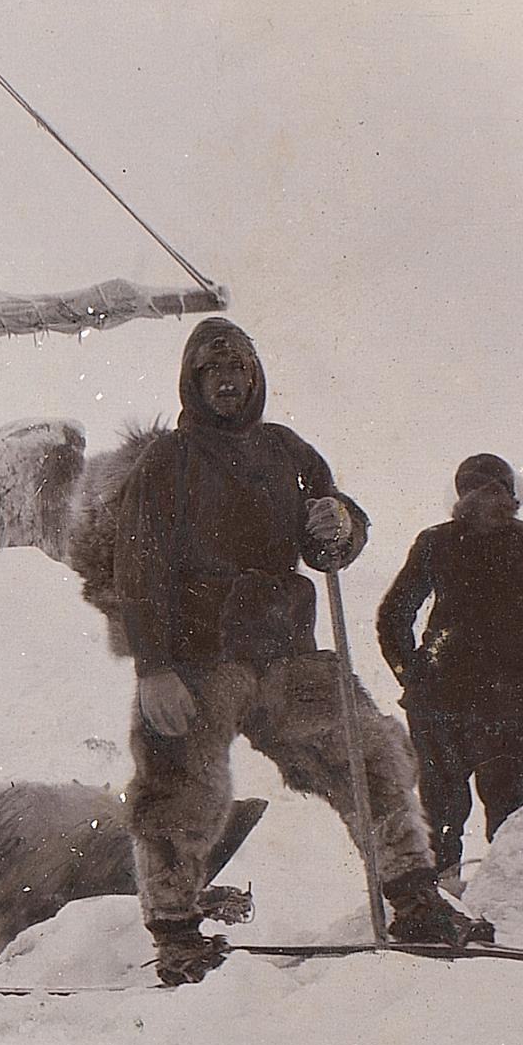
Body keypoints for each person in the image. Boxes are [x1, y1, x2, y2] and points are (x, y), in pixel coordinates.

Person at [108, 317, 482, 982]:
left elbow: (329, 532)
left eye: (241, 370)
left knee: (370, 757)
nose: (231, 382)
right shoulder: (169, 459)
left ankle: (416, 901)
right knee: (178, 791)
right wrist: (153, 668)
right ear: (193, 383)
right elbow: (136, 565)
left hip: (286, 651)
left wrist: (341, 521)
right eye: (215, 372)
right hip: (197, 657)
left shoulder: (285, 450)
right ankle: (175, 937)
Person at [374, 453, 523, 878]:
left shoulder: (436, 540)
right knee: (509, 819)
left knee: (442, 816)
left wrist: (414, 675)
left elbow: (393, 618)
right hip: (509, 704)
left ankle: (442, 901)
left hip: (446, 701)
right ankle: (502, 906)